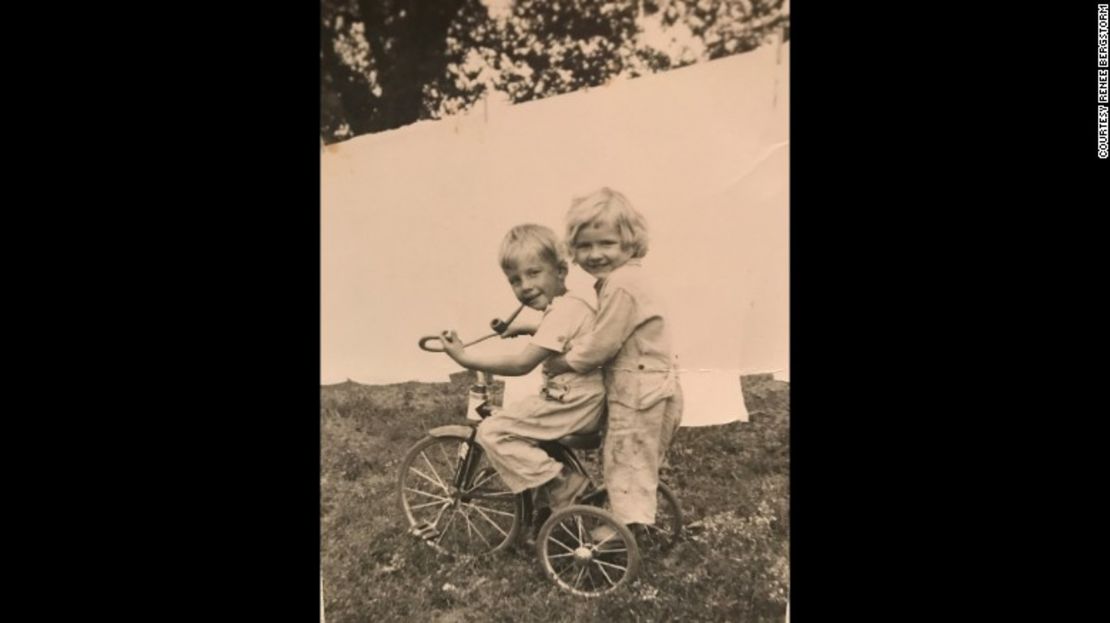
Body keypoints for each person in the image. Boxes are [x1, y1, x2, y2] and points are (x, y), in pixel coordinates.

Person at [543, 188, 683, 539]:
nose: (595, 254)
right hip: (651, 385)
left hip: (638, 391)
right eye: (585, 246)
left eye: (606, 244)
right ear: (573, 249)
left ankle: (620, 532)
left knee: (625, 457)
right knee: (633, 455)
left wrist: (564, 361)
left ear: (629, 242)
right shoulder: (626, 279)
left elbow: (602, 344)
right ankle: (632, 517)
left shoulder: (622, 285)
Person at [440, 224, 604, 510]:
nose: (525, 286)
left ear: (561, 272)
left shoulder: (563, 312)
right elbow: (558, 332)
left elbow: (521, 364)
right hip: (581, 399)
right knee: (521, 421)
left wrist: (464, 357)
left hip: (574, 404)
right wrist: (527, 328)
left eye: (533, 273)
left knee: (492, 431)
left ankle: (562, 484)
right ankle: (545, 498)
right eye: (515, 280)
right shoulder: (569, 306)